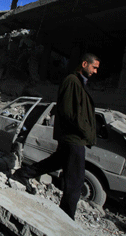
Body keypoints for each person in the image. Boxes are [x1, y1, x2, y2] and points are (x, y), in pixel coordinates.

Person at [13, 53, 100, 220]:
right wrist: (84, 130)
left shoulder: (79, 83)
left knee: (56, 162)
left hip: (74, 136)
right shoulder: (72, 81)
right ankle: (67, 216)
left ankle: (23, 174)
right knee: (76, 179)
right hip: (74, 137)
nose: (95, 71)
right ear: (84, 64)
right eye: (94, 67)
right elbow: (68, 111)